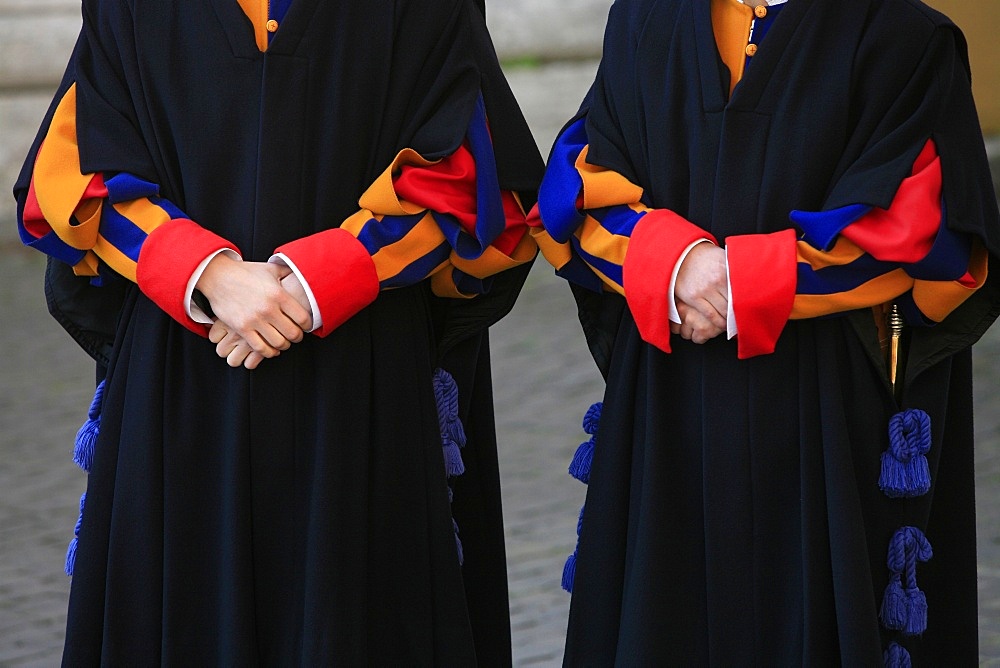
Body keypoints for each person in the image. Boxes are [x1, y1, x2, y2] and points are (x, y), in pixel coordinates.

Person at [14, 0, 543, 663]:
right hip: (183, 374)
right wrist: (206, 272)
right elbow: (67, 180)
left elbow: (481, 183)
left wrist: (327, 276)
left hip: (362, 379)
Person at [530, 0, 1000, 663]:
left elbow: (917, 227)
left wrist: (743, 282)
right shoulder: (643, 19)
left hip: (825, 420)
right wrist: (673, 263)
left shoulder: (903, 36)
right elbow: (575, 185)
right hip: (668, 412)